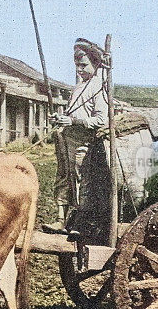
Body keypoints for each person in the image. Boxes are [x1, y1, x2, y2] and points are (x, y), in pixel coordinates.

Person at [42, 38, 113, 245]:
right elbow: (72, 113)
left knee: (82, 182)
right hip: (66, 140)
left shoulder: (99, 87)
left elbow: (101, 120)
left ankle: (81, 225)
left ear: (96, 64)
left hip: (84, 144)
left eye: (84, 65)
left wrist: (73, 120)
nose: (79, 69)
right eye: (77, 65)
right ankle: (60, 221)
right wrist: (60, 118)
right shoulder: (78, 88)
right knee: (63, 179)